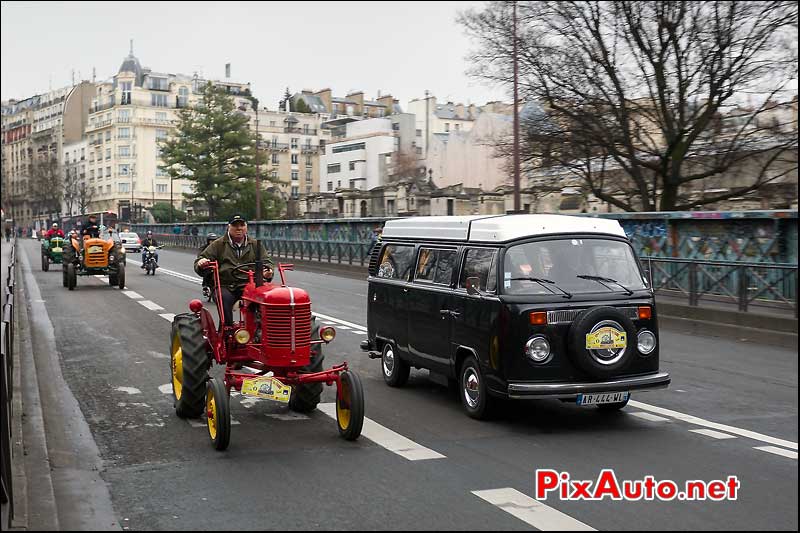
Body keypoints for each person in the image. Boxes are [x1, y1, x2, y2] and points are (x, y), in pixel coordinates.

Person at [195, 215, 274, 326]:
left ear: (246, 227)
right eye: (235, 225)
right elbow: (201, 259)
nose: (239, 228)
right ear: (229, 227)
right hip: (226, 285)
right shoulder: (218, 244)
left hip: (249, 285)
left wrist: (268, 271)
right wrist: (202, 263)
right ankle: (227, 330)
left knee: (265, 299)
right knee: (224, 299)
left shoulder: (256, 245)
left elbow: (267, 262)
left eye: (242, 225)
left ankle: (259, 330)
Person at [199, 233, 219, 298]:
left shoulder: (219, 248)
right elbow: (200, 256)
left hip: (217, 264)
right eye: (211, 240)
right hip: (208, 264)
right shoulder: (204, 248)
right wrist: (203, 261)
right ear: (208, 241)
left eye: (214, 240)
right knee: (207, 271)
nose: (213, 242)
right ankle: (205, 285)